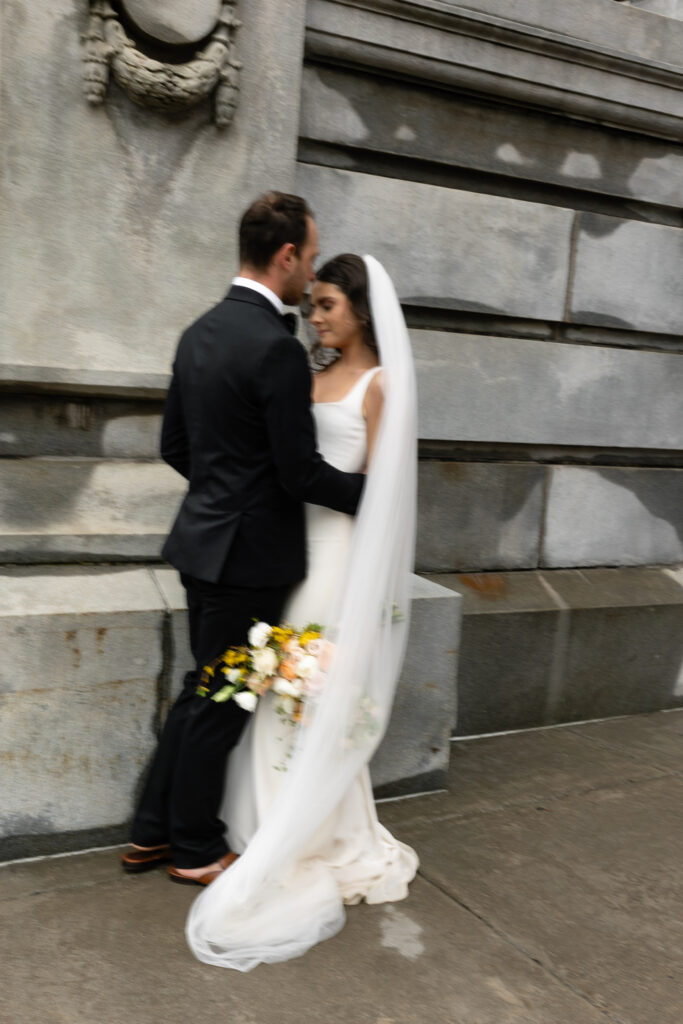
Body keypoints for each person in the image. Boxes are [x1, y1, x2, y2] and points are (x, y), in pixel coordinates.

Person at [120, 194, 364, 885]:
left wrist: (220, 495)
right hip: (249, 559)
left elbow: (175, 445)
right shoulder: (275, 350)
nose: (310, 273)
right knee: (221, 703)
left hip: (201, 545)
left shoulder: (197, 332)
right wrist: (374, 493)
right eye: (310, 258)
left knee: (203, 691)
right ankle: (194, 849)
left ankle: (150, 834)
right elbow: (300, 473)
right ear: (285, 256)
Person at [186, 254, 419, 970]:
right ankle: (261, 817)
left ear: (360, 311)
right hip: (285, 554)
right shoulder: (306, 376)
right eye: (311, 304)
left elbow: (384, 494)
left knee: (312, 687)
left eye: (326, 306)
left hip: (340, 556)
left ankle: (315, 829)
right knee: (272, 688)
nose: (314, 317)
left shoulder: (382, 387)